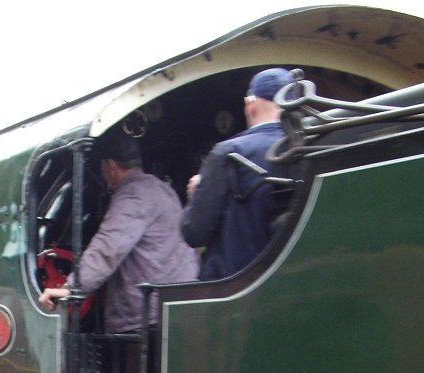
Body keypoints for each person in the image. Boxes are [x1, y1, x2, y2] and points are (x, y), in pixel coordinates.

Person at [37, 132, 198, 332]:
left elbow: (108, 248)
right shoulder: (163, 190)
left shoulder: (132, 193)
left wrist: (69, 288)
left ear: (110, 165)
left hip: (147, 319)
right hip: (177, 307)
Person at [180, 67, 292, 281]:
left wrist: (196, 194)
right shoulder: (311, 148)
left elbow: (194, 232)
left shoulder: (227, 153)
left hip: (235, 287)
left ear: (250, 104)